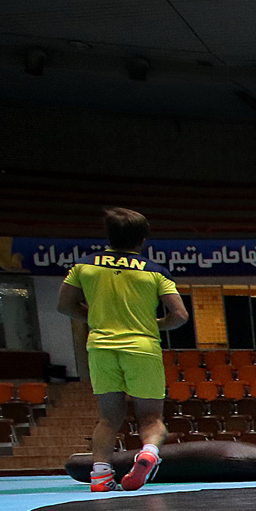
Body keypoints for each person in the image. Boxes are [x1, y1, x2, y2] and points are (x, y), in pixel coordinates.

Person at [57, 206, 189, 492]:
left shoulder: (83, 266)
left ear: (108, 235)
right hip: (142, 347)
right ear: (143, 239)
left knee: (108, 418)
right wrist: (156, 324)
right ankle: (148, 453)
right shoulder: (155, 272)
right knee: (151, 419)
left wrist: (95, 318)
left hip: (101, 348)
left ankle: (100, 476)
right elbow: (180, 315)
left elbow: (64, 305)